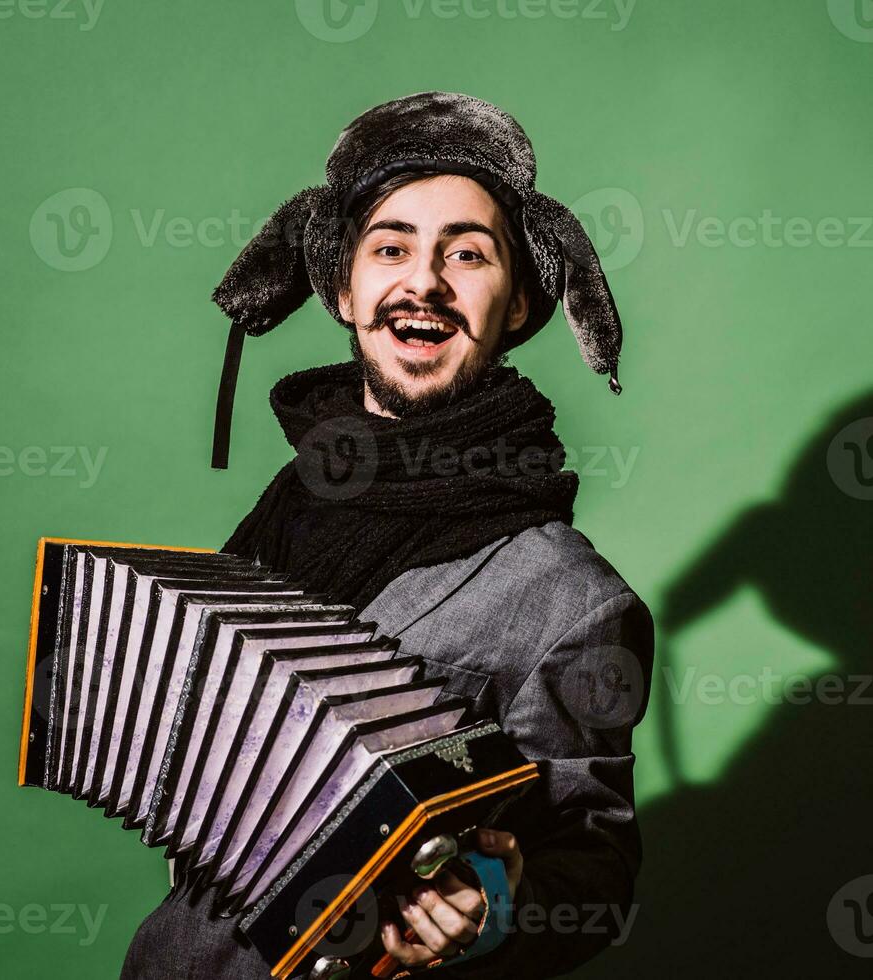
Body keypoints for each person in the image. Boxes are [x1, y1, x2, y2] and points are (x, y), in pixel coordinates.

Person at [119, 92, 653, 979]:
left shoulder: (574, 601)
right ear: (343, 287)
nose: (425, 282)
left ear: (519, 302)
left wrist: (488, 906)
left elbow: (592, 862)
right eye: (392, 246)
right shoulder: (289, 506)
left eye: (468, 255)